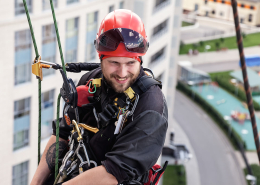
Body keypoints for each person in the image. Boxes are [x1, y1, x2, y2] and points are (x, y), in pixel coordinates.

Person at [31, 9, 168, 185]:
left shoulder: (150, 107)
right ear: (100, 58)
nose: (122, 73)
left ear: (140, 60)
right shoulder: (90, 81)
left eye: (130, 63)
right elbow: (62, 135)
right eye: (114, 63)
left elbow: (115, 172)